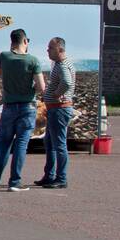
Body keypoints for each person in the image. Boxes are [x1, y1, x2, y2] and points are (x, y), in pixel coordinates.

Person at [0, 29, 45, 192]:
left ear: (12, 41)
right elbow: (41, 87)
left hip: (9, 106)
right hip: (27, 106)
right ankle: (15, 181)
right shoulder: (33, 60)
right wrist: (31, 90)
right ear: (25, 41)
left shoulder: (4, 56)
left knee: (4, 143)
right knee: (21, 143)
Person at [38, 36, 74, 189]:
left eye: (50, 48)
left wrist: (56, 94)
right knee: (50, 142)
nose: (48, 51)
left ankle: (61, 178)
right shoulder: (62, 63)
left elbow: (66, 82)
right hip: (56, 108)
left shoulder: (62, 64)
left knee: (58, 144)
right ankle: (50, 175)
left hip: (59, 109)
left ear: (60, 49)